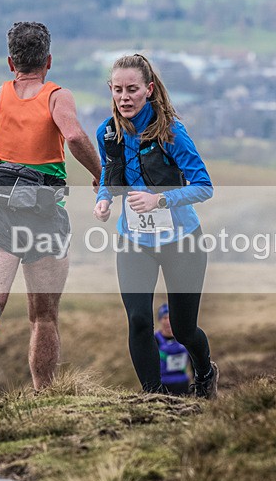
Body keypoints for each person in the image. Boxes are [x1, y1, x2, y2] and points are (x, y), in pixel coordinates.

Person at [0, 22, 102, 390]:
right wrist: (100, 174)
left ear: (11, 63)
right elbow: (74, 136)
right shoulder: (57, 96)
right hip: (43, 212)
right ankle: (44, 392)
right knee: (44, 316)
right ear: (49, 61)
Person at [93, 53, 218, 399]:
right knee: (138, 320)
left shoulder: (171, 132)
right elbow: (108, 173)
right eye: (118, 90)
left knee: (183, 329)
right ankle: (154, 397)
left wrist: (159, 200)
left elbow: (204, 186)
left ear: (148, 90)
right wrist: (104, 198)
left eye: (132, 89)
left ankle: (205, 373)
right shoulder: (107, 132)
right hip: (135, 241)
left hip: (182, 241)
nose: (124, 97)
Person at [155, 303, 192, 395]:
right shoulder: (155, 340)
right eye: (165, 318)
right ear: (160, 320)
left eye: (171, 317)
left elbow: (194, 362)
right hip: (163, 385)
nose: (168, 321)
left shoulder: (185, 338)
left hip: (183, 384)